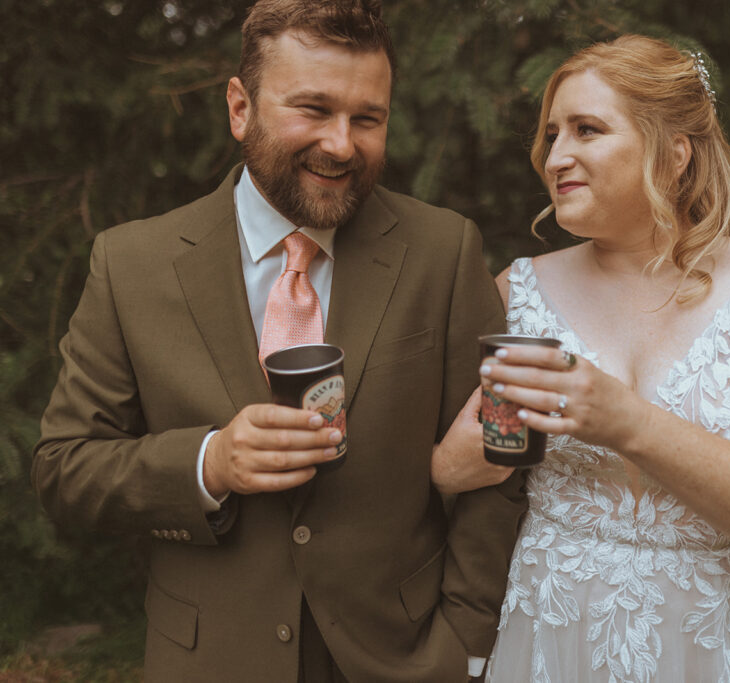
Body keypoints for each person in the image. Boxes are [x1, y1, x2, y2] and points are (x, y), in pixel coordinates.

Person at [31, 1, 526, 681]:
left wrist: (462, 649)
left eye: (367, 118)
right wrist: (210, 463)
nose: (342, 144)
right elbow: (65, 466)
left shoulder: (444, 250)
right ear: (240, 108)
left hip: (404, 659)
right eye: (313, 110)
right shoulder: (130, 264)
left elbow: (504, 458)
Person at [437, 35, 730, 681]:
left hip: (723, 640)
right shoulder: (516, 291)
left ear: (674, 151)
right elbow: (450, 470)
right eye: (552, 135)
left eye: (587, 130)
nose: (556, 156)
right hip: (556, 632)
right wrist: (459, 461)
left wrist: (626, 421)